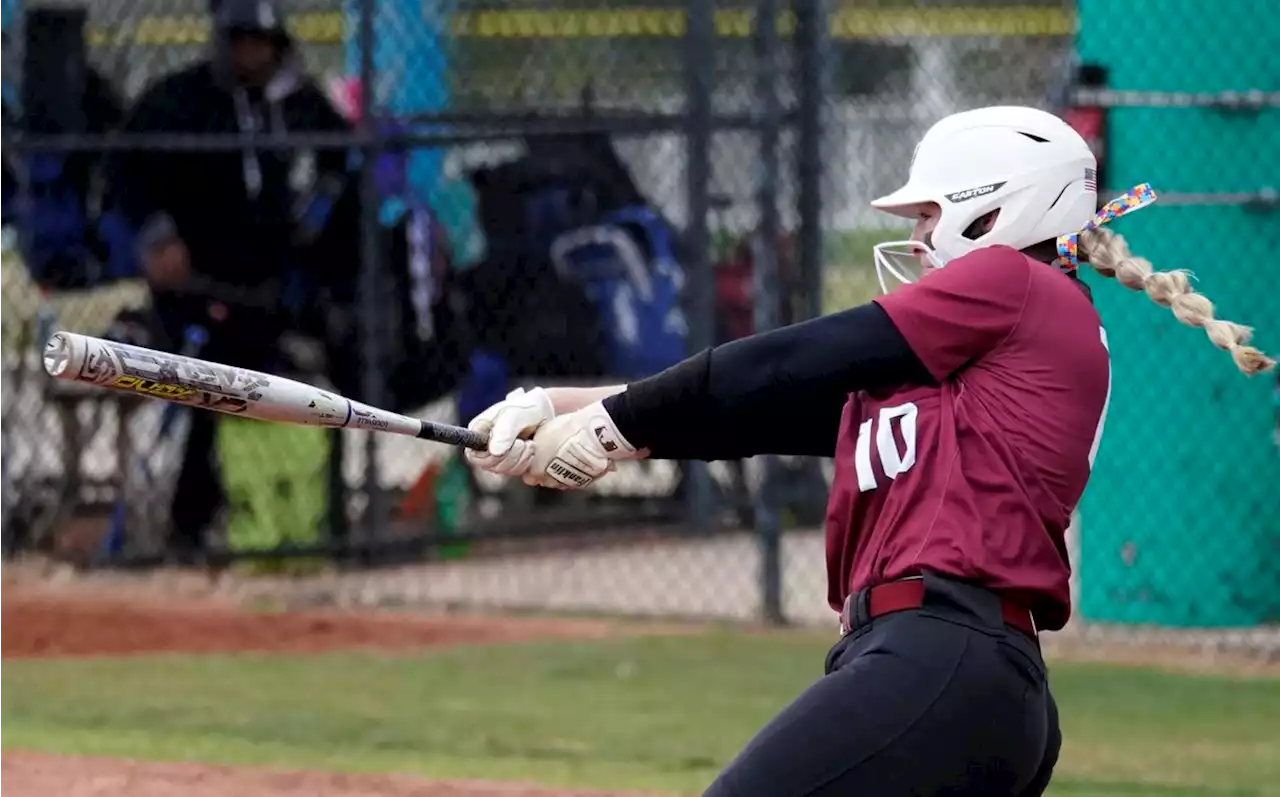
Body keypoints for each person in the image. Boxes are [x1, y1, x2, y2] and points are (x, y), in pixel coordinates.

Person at [461, 106, 1276, 795]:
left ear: (996, 212)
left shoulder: (1017, 287)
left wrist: (614, 425)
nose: (919, 240)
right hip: (953, 671)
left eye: (928, 216)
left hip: (939, 655)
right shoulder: (963, 371)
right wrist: (558, 410)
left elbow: (787, 357)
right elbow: (749, 410)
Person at [105, 0, 352, 562]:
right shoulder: (178, 99)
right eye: (242, 41)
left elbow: (343, 158)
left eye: (263, 42)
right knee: (212, 384)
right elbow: (122, 175)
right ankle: (190, 529)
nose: (254, 54)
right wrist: (156, 237)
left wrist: (315, 215)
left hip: (272, 288)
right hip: (197, 289)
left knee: (325, 368)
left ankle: (317, 522)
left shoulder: (292, 102)